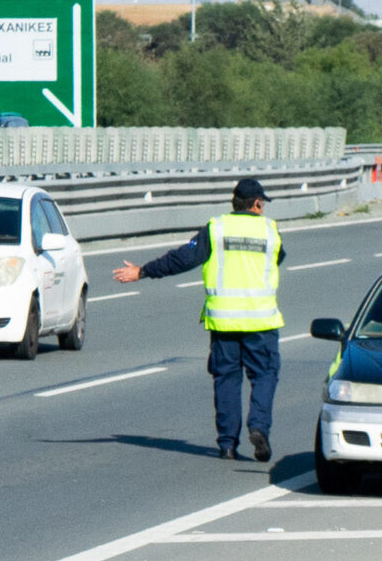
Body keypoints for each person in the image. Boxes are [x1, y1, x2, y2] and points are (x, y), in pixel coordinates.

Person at [113, 178, 285, 462]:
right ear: (256, 204)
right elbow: (278, 259)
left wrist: (143, 271)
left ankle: (228, 445)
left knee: (226, 380)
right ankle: (259, 426)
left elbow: (182, 259)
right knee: (265, 375)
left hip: (223, 322)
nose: (263, 208)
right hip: (261, 322)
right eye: (262, 203)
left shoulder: (215, 228)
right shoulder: (270, 230)